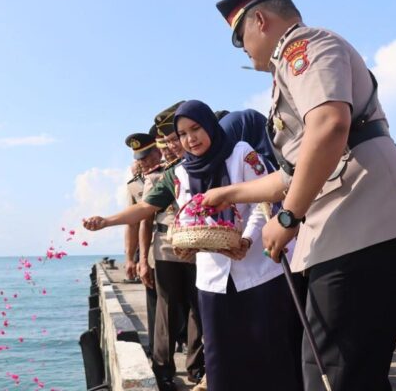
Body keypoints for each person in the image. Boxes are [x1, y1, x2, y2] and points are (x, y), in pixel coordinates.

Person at [208, 0, 396, 389]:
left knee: (330, 369)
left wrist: (287, 217)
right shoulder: (291, 67)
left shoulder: (302, 46)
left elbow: (330, 127)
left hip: (365, 218)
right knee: (354, 367)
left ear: (260, 20)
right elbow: (293, 171)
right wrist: (227, 195)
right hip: (366, 219)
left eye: (240, 37)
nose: (243, 49)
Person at [84, 100, 303, 390]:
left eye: (196, 129)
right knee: (220, 355)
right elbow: (147, 208)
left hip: (257, 270)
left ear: (210, 125)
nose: (190, 139)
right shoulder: (181, 172)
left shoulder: (241, 154)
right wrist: (106, 221)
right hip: (213, 278)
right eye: (183, 133)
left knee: (269, 349)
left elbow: (265, 204)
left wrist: (246, 239)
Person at [139, 122, 206, 387]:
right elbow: (145, 218)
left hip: (198, 246)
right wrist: (143, 260)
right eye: (165, 143)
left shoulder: (198, 168)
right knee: (167, 311)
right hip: (167, 249)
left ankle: (196, 367)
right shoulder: (158, 176)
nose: (169, 148)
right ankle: (163, 370)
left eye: (171, 141)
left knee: (198, 309)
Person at [124, 132, 161, 359]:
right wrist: (131, 258)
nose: (145, 162)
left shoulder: (172, 173)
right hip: (147, 248)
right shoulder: (133, 186)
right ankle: (158, 348)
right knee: (154, 300)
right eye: (140, 158)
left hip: (171, 244)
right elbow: (132, 223)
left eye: (147, 156)